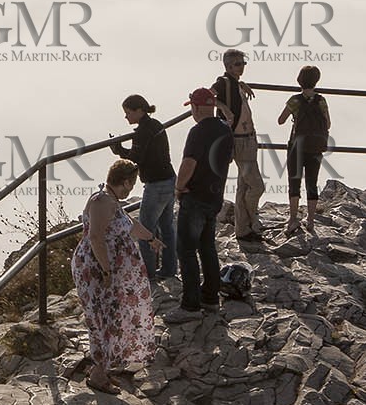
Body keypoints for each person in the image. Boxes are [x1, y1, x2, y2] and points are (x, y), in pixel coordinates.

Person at [70, 159, 161, 393]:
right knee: (104, 321)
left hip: (105, 269)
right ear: (125, 182)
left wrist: (151, 239)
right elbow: (96, 238)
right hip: (96, 270)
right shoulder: (102, 202)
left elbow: (130, 226)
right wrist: (107, 271)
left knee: (113, 318)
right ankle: (98, 375)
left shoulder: (111, 200)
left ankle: (103, 370)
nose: (132, 189)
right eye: (131, 184)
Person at [173, 88, 234, 315]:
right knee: (207, 248)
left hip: (195, 196)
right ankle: (210, 298)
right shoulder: (225, 130)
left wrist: (179, 188)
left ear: (196, 107)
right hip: (214, 196)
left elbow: (189, 163)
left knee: (186, 250)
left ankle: (189, 306)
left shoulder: (197, 132)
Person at [110, 94, 177, 283]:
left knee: (146, 230)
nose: (126, 117)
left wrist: (119, 151)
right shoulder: (156, 125)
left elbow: (136, 159)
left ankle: (148, 274)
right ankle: (169, 269)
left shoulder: (143, 131)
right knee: (166, 227)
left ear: (139, 110)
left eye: (128, 112)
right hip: (169, 179)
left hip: (156, 184)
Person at [212, 49, 266, 243]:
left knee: (243, 187)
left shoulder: (235, 84)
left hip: (248, 139)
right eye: (238, 64)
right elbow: (209, 96)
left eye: (243, 63)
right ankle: (252, 221)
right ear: (228, 66)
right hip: (240, 140)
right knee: (257, 186)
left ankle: (243, 230)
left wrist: (241, 85)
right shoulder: (223, 82)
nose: (241, 67)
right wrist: (223, 107)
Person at [278, 66, 332, 234]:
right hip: (316, 147)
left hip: (296, 146)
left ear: (299, 80)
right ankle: (310, 221)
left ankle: (293, 219)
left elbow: (280, 120)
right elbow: (328, 123)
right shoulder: (321, 101)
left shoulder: (295, 100)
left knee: (294, 181)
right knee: (312, 182)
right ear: (316, 80)